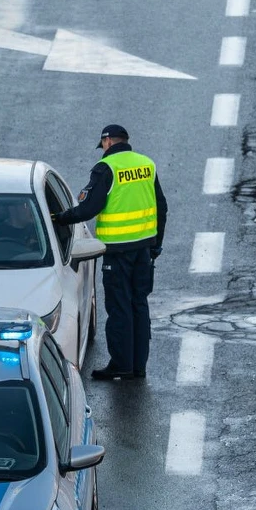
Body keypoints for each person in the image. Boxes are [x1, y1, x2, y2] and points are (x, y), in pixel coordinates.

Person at [51, 124, 167, 380]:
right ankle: (138, 366)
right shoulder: (146, 164)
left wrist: (59, 218)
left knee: (119, 308)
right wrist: (156, 245)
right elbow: (162, 207)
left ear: (107, 141)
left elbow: (88, 209)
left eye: (102, 144)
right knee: (139, 305)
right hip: (143, 250)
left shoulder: (106, 168)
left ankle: (122, 365)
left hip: (117, 252)